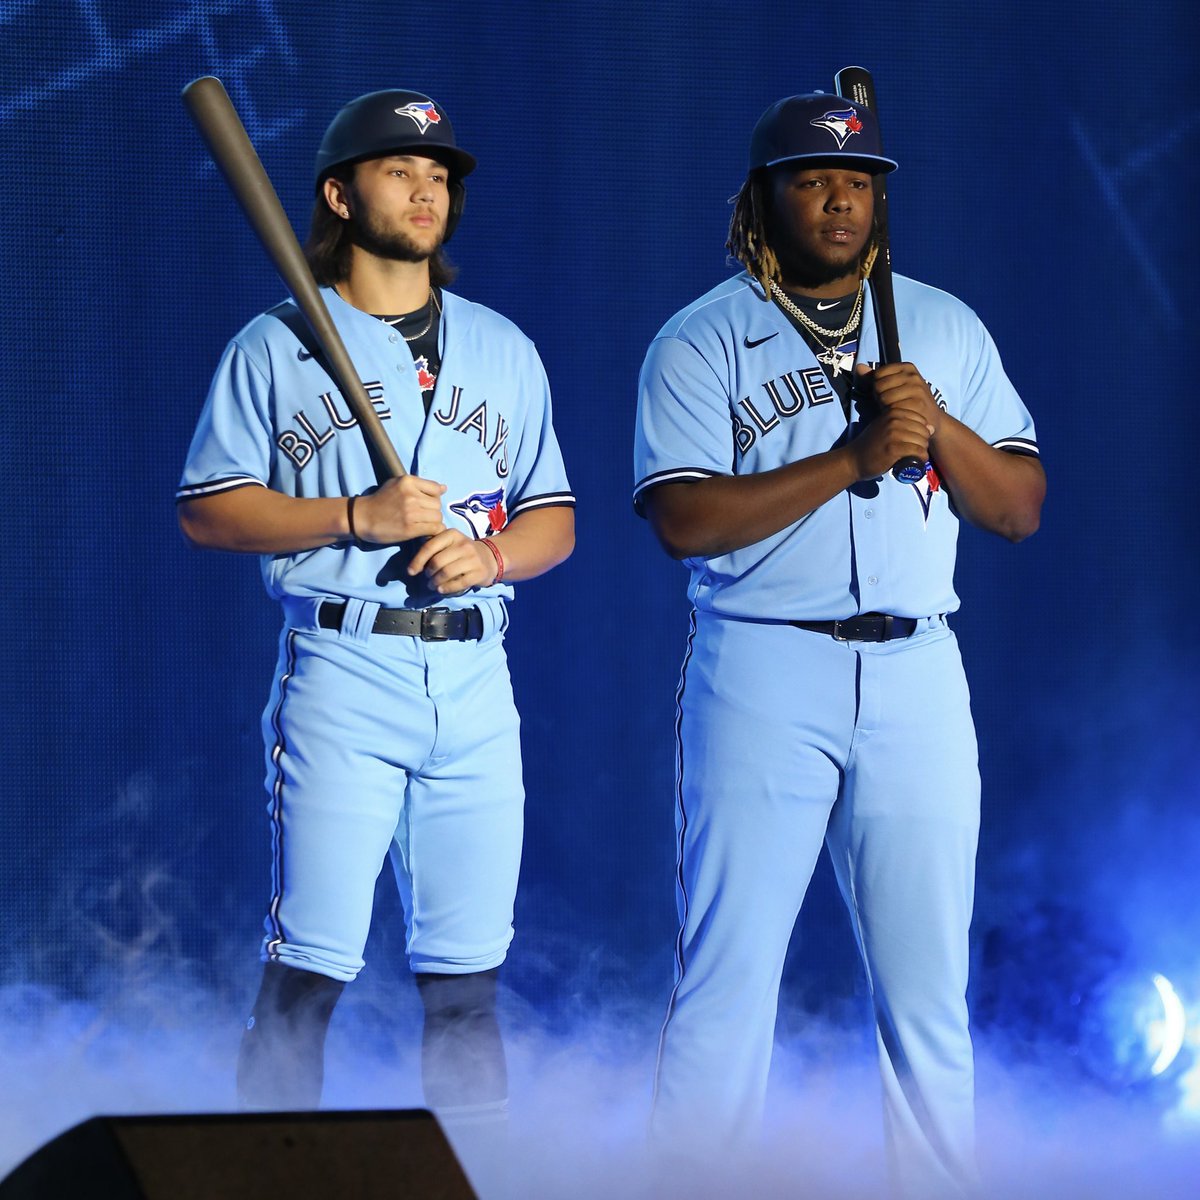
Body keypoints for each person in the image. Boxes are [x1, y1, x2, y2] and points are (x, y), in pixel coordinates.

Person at [633, 93, 1044, 1197]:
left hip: (918, 671)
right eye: (815, 179)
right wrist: (857, 454)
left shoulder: (944, 326)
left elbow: (1016, 509)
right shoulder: (701, 337)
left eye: (859, 181)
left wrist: (935, 422)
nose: (840, 199)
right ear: (763, 196)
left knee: (928, 995)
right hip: (764, 668)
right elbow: (682, 521)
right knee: (727, 984)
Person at [177, 89, 575, 1141]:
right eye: (400, 169)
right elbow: (208, 511)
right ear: (339, 195)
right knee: (309, 969)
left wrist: (488, 552)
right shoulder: (272, 343)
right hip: (343, 671)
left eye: (439, 172)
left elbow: (555, 520)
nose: (427, 187)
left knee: (467, 978)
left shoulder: (503, 346)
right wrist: (357, 514)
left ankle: (477, 1175)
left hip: (478, 677)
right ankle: (263, 1180)